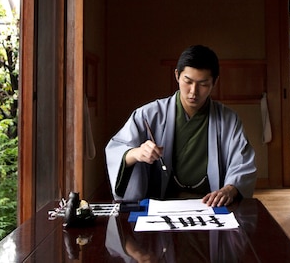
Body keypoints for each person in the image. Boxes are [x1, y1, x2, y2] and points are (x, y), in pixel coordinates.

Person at [105, 45, 256, 207]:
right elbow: (117, 149)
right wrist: (137, 153)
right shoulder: (149, 114)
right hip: (161, 204)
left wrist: (229, 189)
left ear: (215, 82)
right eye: (188, 81)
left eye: (203, 84)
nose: (193, 91)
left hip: (209, 205)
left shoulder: (228, 120)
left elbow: (242, 163)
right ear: (177, 75)